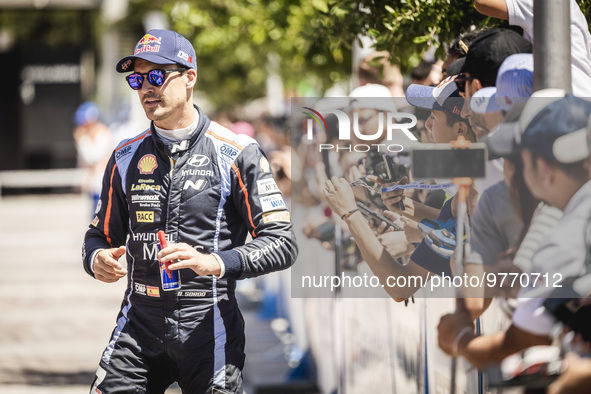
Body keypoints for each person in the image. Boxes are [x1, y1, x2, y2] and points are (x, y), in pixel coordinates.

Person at [82, 29, 297, 393]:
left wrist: (217, 262)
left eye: (156, 76)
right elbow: (98, 237)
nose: (146, 88)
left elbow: (283, 243)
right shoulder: (125, 156)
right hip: (139, 327)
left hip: (209, 327)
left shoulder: (236, 153)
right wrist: (97, 258)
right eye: (137, 79)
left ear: (190, 77)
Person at [437, 91, 591, 369]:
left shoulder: (565, 240)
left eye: (514, 161)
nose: (507, 171)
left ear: (543, 167)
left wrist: (458, 339)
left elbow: (517, 342)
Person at [473, 0, 591, 97]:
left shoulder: (540, 3)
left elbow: (482, 2)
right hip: (578, 98)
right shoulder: (568, 6)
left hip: (565, 101)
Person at [72, 101, 114, 216]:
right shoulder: (91, 133)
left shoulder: (100, 133)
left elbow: (93, 158)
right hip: (95, 184)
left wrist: (82, 140)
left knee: (99, 219)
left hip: (101, 183)